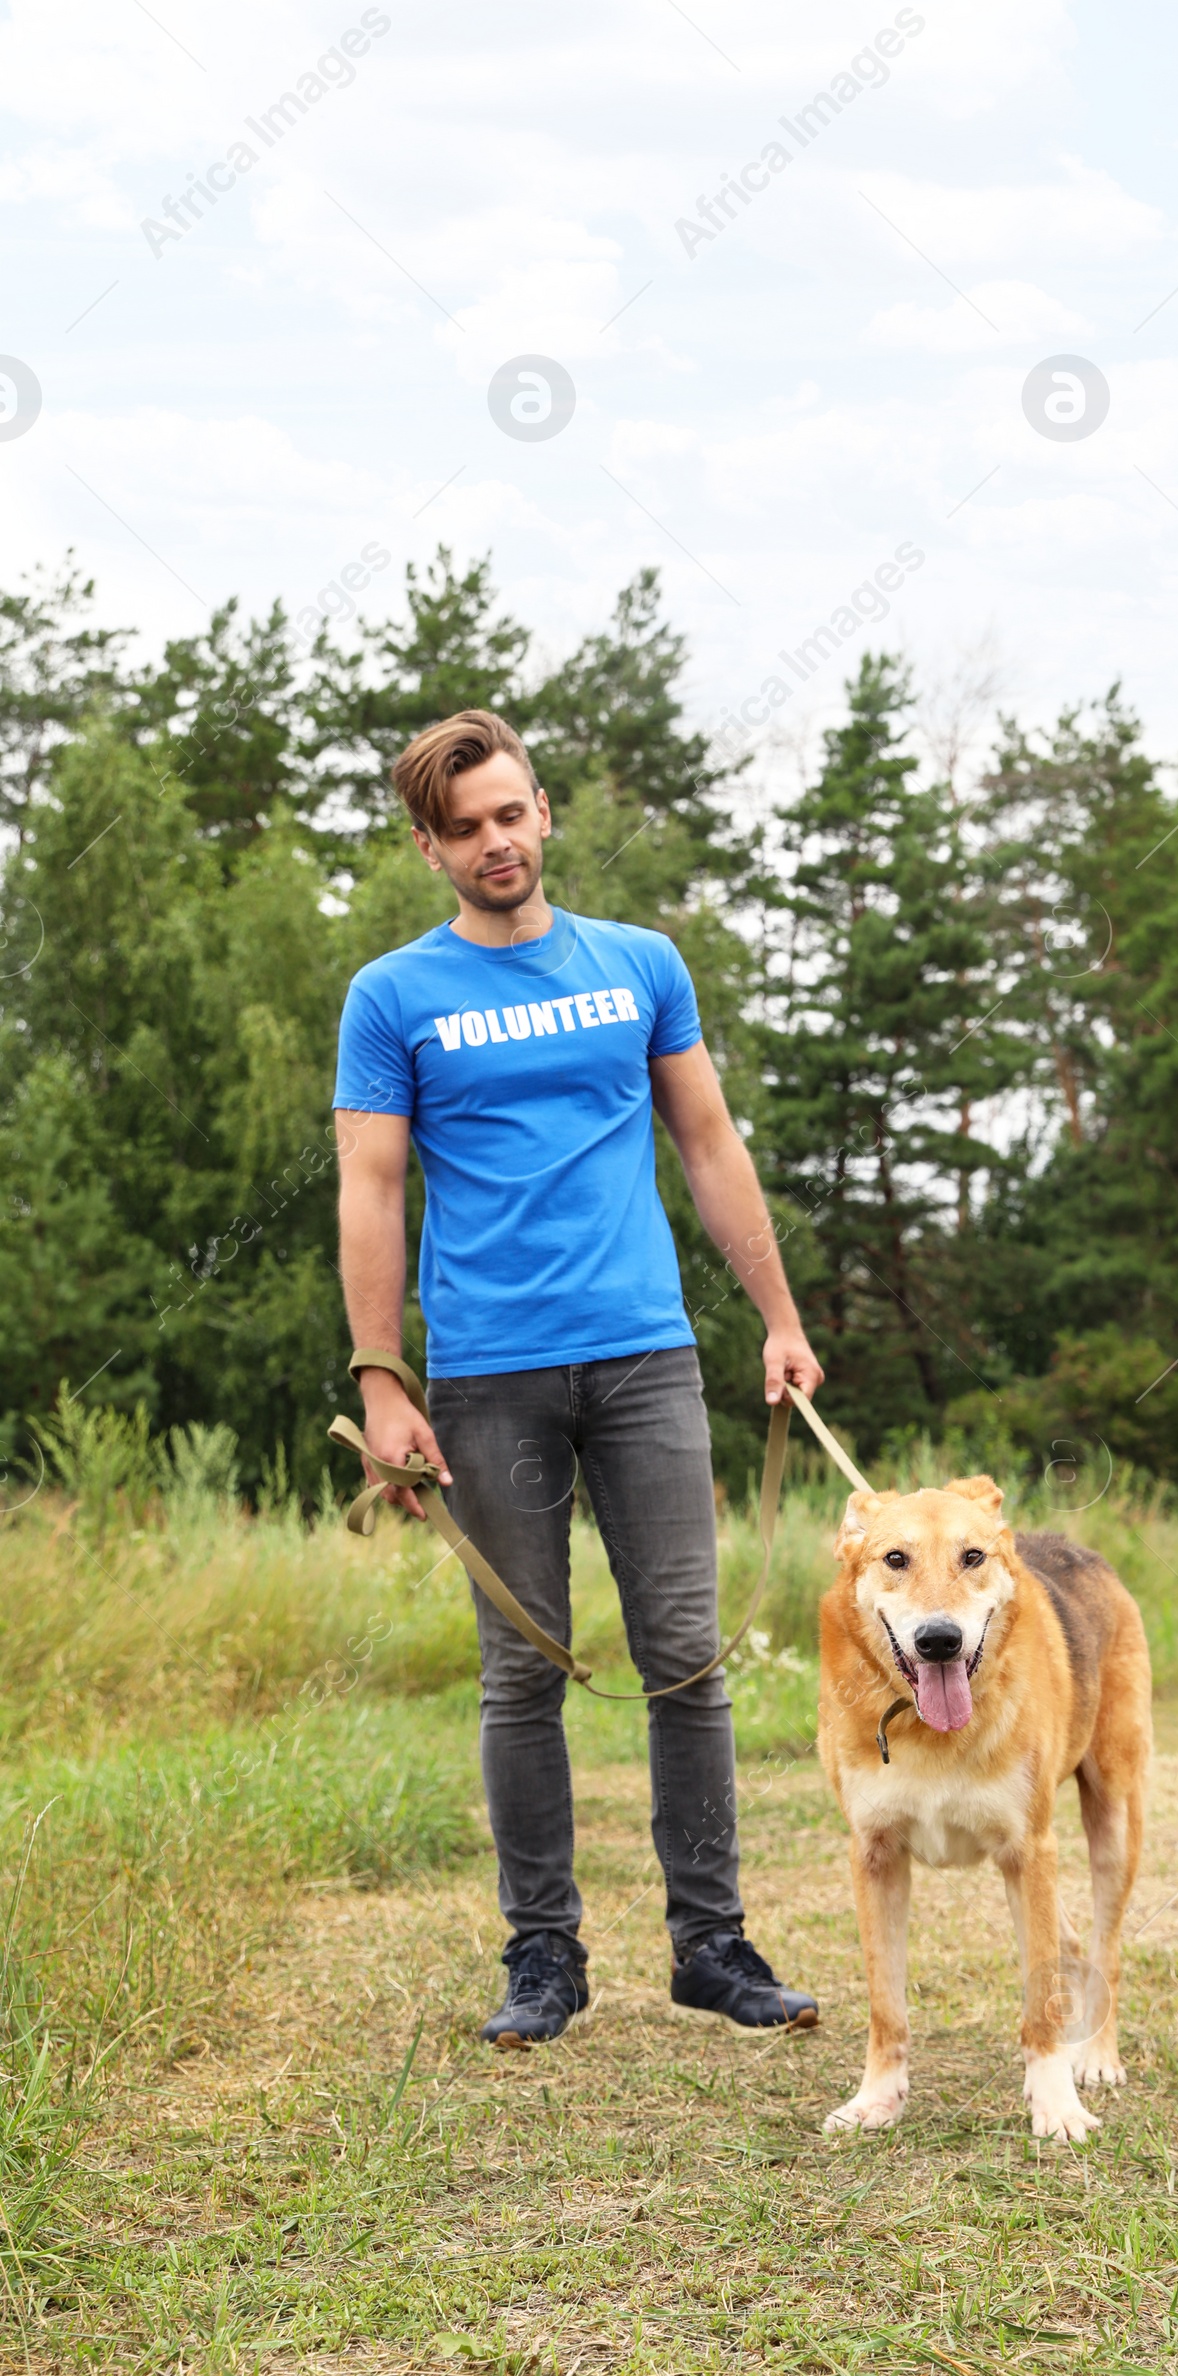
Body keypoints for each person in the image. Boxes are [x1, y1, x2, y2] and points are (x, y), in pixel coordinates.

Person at [332, 708, 823, 2043]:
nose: (496, 842)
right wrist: (384, 1379)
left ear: (543, 811)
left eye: (511, 814)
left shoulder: (641, 965)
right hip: (490, 1375)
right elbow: (372, 1190)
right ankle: (543, 1959)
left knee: (685, 1661)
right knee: (521, 1671)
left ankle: (711, 1947)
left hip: (648, 1358)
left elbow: (711, 1147)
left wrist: (778, 1315)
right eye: (465, 828)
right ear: (430, 848)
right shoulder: (393, 999)